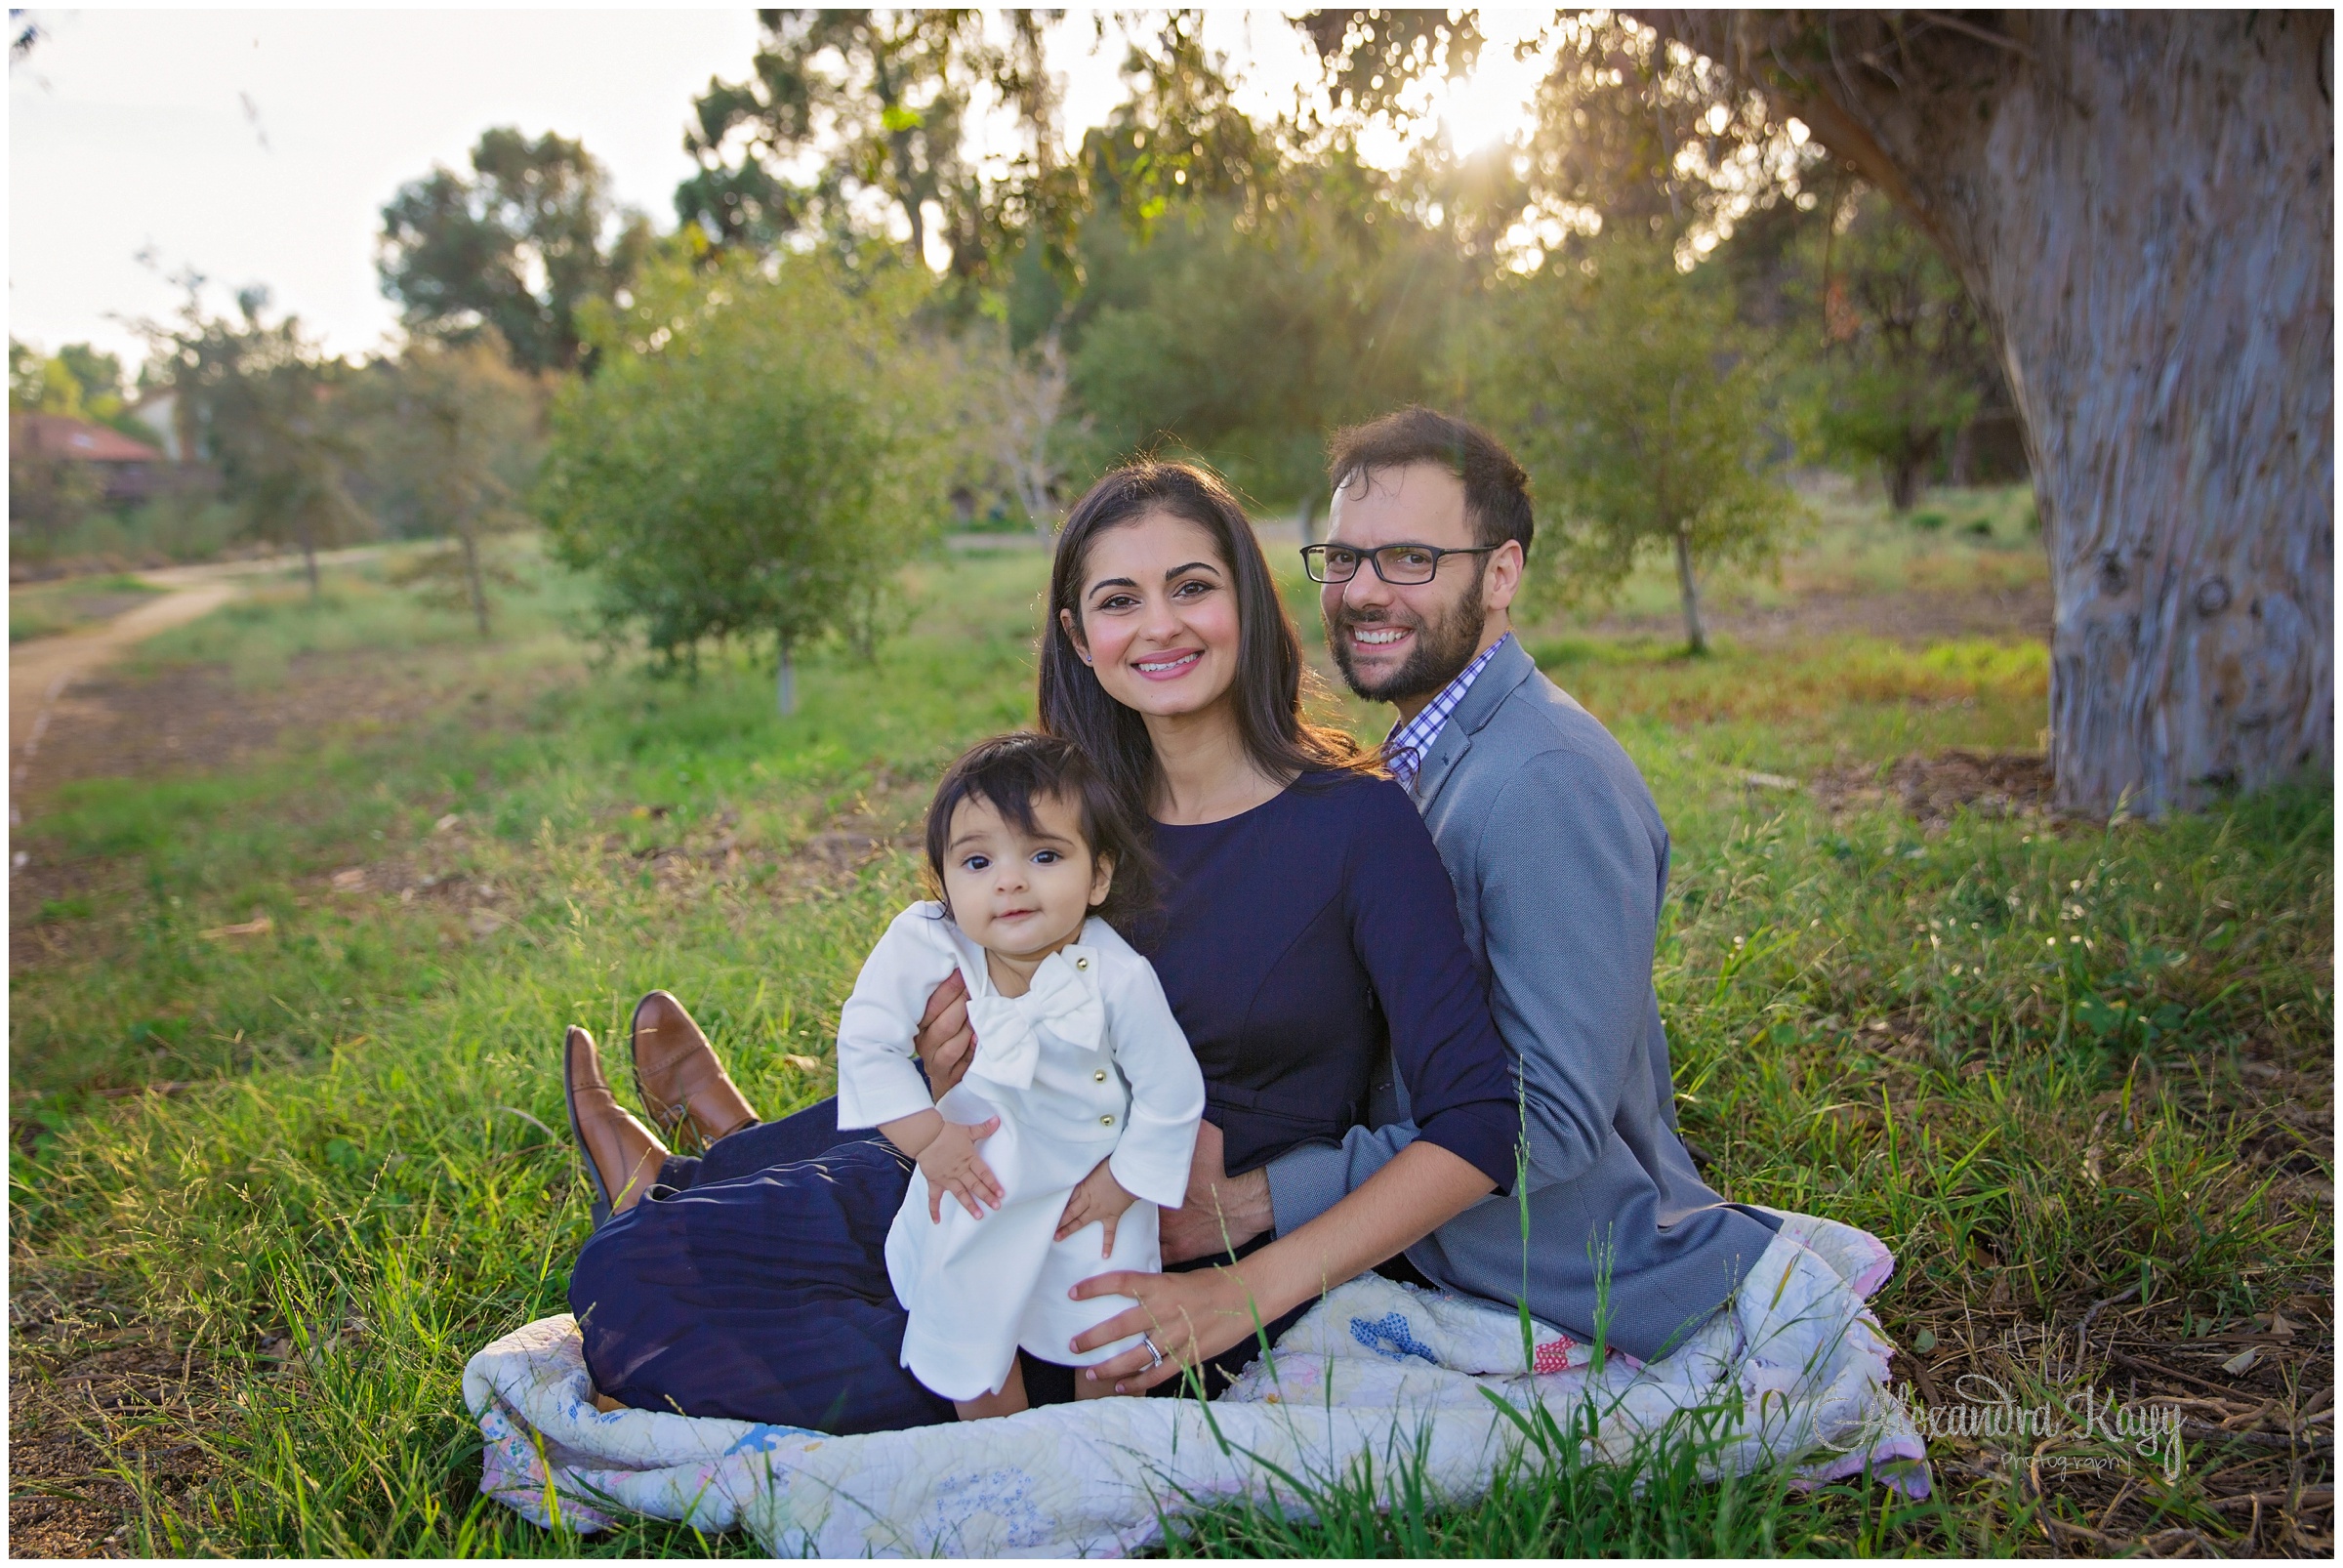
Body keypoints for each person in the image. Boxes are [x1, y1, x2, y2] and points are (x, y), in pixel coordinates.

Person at [559, 460, 1520, 1432]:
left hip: (1143, 1267)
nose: (1160, 625)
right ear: (1079, 634)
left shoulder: (1356, 824)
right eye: (1119, 599)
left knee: (634, 1301)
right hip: (981, 1172)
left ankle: (704, 1187)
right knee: (629, 1269)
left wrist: (1245, 1293)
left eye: (1192, 585)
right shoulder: (1079, 809)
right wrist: (955, 1033)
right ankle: (701, 1174)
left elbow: (1479, 1122)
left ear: (1246, 599)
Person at [1160, 406, 1782, 1364]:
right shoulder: (1419, 754)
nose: (1365, 591)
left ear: (1501, 573)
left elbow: (1549, 1125)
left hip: (1532, 1266)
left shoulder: (1544, 779)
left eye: (1411, 559)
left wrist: (1263, 1200)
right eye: (1344, 558)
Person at [832, 733, 1204, 1420]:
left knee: (1107, 1320)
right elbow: (866, 1041)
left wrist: (1126, 1181)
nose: (1009, 880)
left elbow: (1171, 1091)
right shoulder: (929, 943)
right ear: (943, 880)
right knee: (969, 1320)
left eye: (1044, 855)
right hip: (978, 1173)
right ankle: (999, 1449)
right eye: (977, 860)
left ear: (1097, 877)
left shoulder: (1119, 977)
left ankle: (1102, 1437)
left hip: (1087, 1188)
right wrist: (927, 1139)